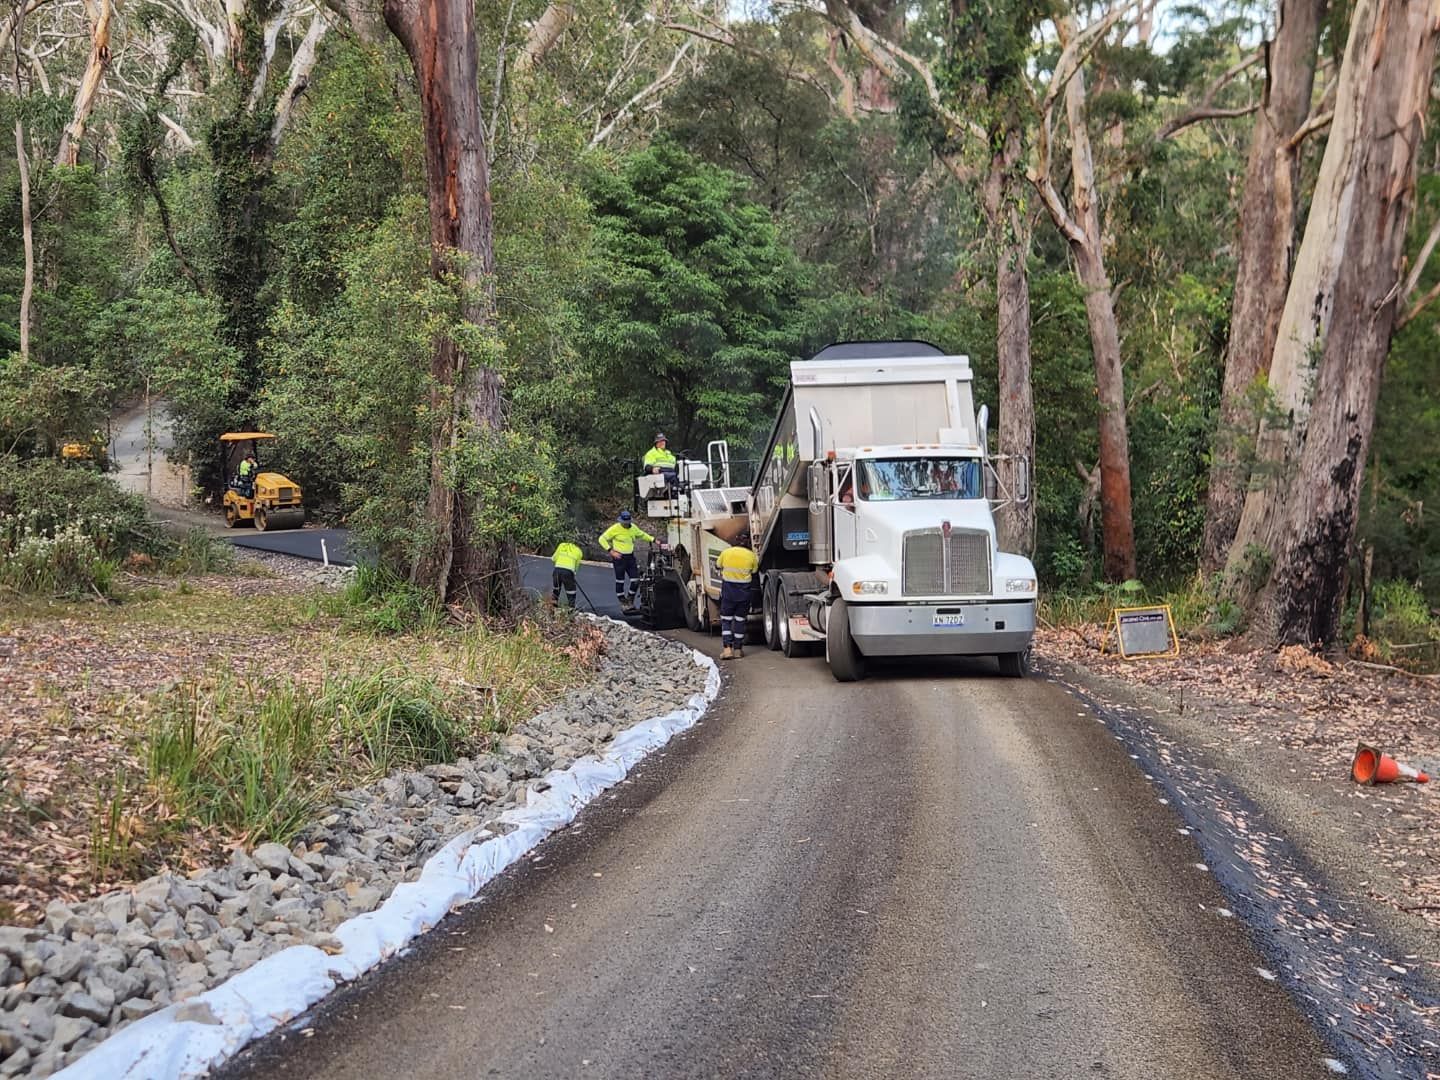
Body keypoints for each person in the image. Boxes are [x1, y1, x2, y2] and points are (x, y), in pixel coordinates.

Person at [598, 510, 654, 612]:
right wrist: (610, 550)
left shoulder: (633, 528)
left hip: (630, 557)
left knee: (635, 580)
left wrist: (653, 540)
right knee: (620, 580)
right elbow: (602, 539)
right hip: (619, 558)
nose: (625, 524)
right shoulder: (615, 528)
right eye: (624, 523)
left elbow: (641, 534)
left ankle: (630, 600)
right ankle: (622, 600)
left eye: (627, 522)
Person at [716, 540, 759, 660]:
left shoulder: (726, 552)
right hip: (744, 596)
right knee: (740, 621)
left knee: (726, 621)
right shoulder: (751, 556)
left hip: (728, 594)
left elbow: (718, 565)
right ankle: (738, 650)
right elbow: (754, 572)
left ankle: (727, 649)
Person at [550, 539, 583, 608]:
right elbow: (576, 567)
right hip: (568, 572)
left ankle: (552, 607)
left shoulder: (562, 545)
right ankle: (571, 608)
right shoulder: (579, 552)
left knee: (556, 589)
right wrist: (573, 574)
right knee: (571, 591)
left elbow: (553, 559)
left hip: (557, 570)